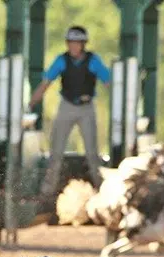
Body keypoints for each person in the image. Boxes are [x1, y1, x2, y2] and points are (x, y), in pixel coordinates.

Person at [28, 26, 111, 214]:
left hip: (86, 107)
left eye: (77, 43)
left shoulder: (93, 61)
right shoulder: (62, 60)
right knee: (56, 151)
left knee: (92, 152)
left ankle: (102, 190)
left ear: (83, 44)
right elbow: (46, 83)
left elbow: (109, 81)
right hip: (66, 106)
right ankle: (46, 193)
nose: (74, 46)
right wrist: (31, 103)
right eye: (71, 43)